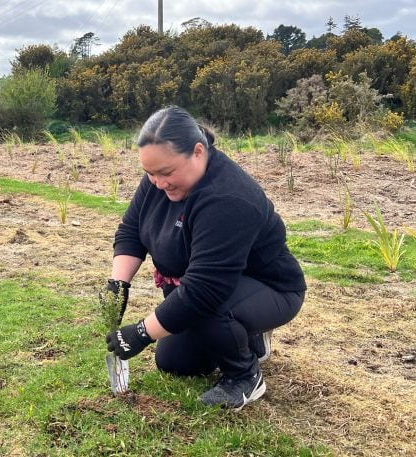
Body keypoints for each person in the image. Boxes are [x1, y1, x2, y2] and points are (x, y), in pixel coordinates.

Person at [104, 106, 306, 411]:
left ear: (198, 152)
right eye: (150, 173)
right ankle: (249, 340)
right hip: (211, 287)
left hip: (270, 289)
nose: (158, 182)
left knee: (209, 306)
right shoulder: (158, 180)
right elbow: (132, 230)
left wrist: (142, 332)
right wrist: (118, 284)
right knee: (175, 361)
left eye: (166, 172)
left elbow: (205, 290)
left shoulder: (228, 198)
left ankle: (245, 377)